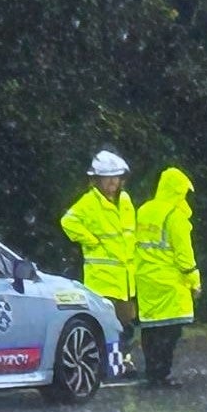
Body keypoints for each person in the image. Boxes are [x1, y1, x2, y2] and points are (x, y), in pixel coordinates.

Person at [61, 150, 139, 374]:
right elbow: (67, 222)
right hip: (101, 278)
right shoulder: (88, 202)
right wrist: (90, 240)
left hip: (126, 277)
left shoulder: (125, 201)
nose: (113, 182)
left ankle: (124, 360)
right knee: (106, 324)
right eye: (108, 177)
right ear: (97, 179)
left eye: (116, 176)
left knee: (126, 323)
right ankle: (108, 365)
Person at [134, 167, 201, 387]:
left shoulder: (143, 210)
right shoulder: (175, 217)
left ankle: (152, 372)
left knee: (150, 328)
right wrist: (194, 281)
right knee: (170, 331)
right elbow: (184, 255)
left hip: (145, 279)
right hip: (170, 282)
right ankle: (162, 374)